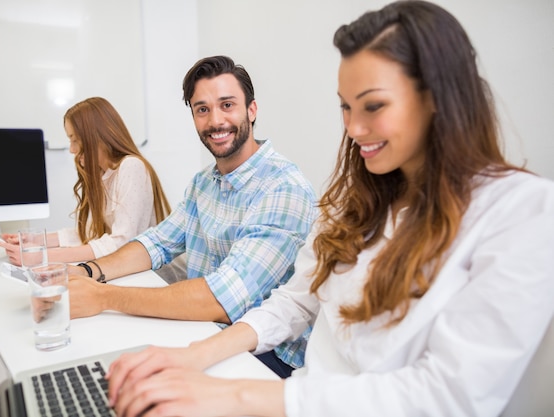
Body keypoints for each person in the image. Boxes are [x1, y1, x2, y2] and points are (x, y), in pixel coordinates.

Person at [102, 2, 554, 416]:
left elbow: (447, 395)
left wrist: (232, 395)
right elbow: (295, 302)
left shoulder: (522, 211)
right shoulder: (354, 200)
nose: (354, 129)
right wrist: (191, 356)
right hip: (298, 394)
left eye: (373, 106)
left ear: (440, 97)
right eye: (345, 107)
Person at [66, 55, 317, 378]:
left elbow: (224, 298)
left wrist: (103, 297)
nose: (215, 121)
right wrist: (88, 271)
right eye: (202, 109)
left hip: (266, 356)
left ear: (252, 111)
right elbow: (157, 242)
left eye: (227, 105)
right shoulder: (204, 182)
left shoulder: (283, 188)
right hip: (203, 330)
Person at [0, 97, 171, 265]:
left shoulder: (131, 167)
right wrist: (36, 240)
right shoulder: (103, 174)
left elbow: (121, 242)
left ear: (96, 136)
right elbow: (93, 233)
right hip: (126, 266)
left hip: (153, 274)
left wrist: (43, 256)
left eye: (75, 140)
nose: (72, 149)